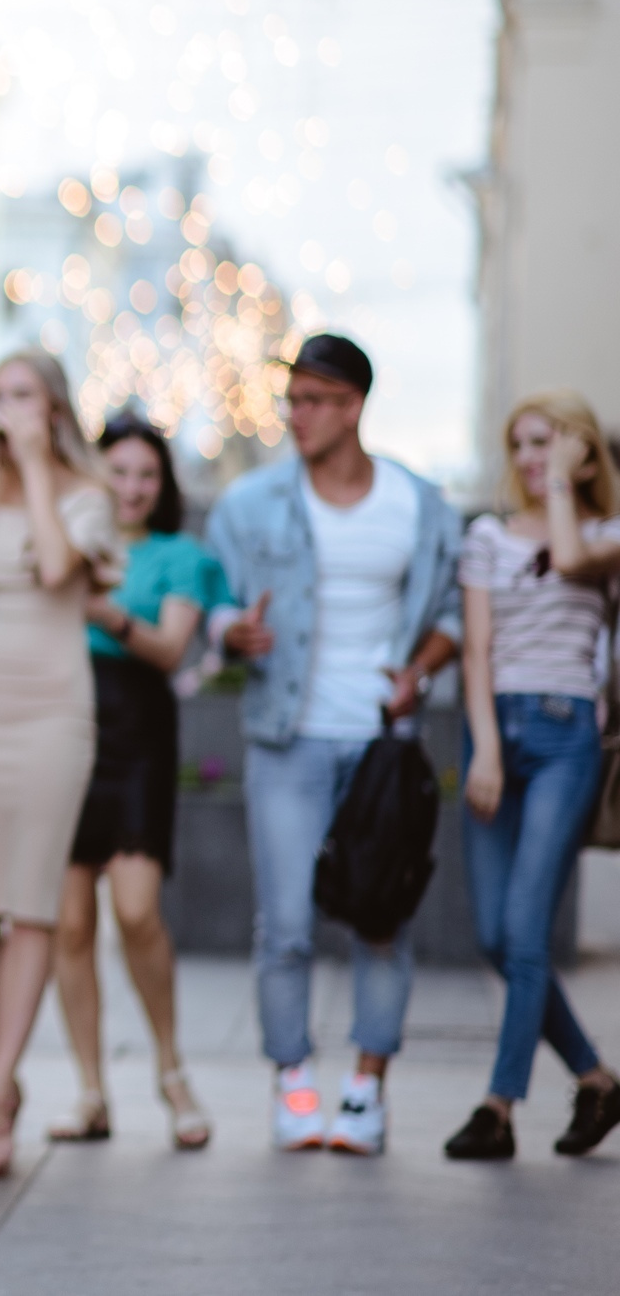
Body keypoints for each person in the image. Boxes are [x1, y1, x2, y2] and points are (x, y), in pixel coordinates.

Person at [211, 333, 461, 1156]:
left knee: (381, 916)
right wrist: (230, 632)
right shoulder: (249, 505)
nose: (297, 415)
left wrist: (417, 672)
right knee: (284, 921)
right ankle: (294, 1080)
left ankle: (367, 1089)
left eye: (314, 400)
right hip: (288, 736)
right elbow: (209, 605)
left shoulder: (419, 505)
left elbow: (455, 617)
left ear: (353, 405)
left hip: (383, 744)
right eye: (291, 398)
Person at [0, 350, 120, 1180]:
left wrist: (40, 468)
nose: (5, 410)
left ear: (52, 409)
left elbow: (53, 568)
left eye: (22, 396)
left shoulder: (87, 496)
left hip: (52, 707)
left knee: (31, 900)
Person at [440, 391, 620, 1160]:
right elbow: (475, 649)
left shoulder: (606, 534)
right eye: (517, 445)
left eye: (544, 442)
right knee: (494, 934)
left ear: (580, 449)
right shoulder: (486, 535)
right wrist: (483, 745)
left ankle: (498, 1105)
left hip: (566, 733)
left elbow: (573, 557)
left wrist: (564, 489)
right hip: (496, 733)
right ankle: (597, 1077)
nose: (526, 459)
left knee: (523, 931)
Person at [48, 413, 231, 1149]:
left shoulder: (179, 556)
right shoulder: (68, 542)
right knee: (66, 923)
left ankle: (170, 1067)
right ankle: (90, 1087)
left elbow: (171, 650)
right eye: (118, 471)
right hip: (61, 726)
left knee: (135, 911)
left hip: (137, 734)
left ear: (164, 486)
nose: (131, 487)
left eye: (146, 475)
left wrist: (103, 612)